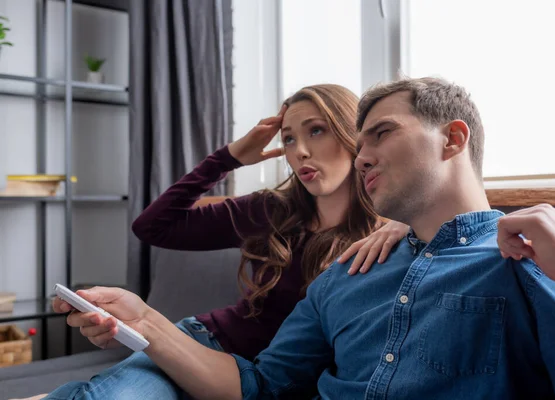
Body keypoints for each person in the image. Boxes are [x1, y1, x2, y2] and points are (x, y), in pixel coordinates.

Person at [34, 76, 555, 400]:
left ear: (453, 140)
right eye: (287, 139)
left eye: (376, 135)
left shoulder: (524, 258)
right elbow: (260, 385)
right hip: (206, 346)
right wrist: (144, 317)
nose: (361, 156)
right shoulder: (319, 253)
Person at [33, 84, 408, 400]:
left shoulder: (392, 232)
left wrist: (402, 225)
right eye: (289, 139)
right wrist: (228, 158)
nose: (300, 152)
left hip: (269, 382)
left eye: (316, 130)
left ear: (352, 134)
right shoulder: (270, 210)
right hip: (203, 346)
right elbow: (153, 227)